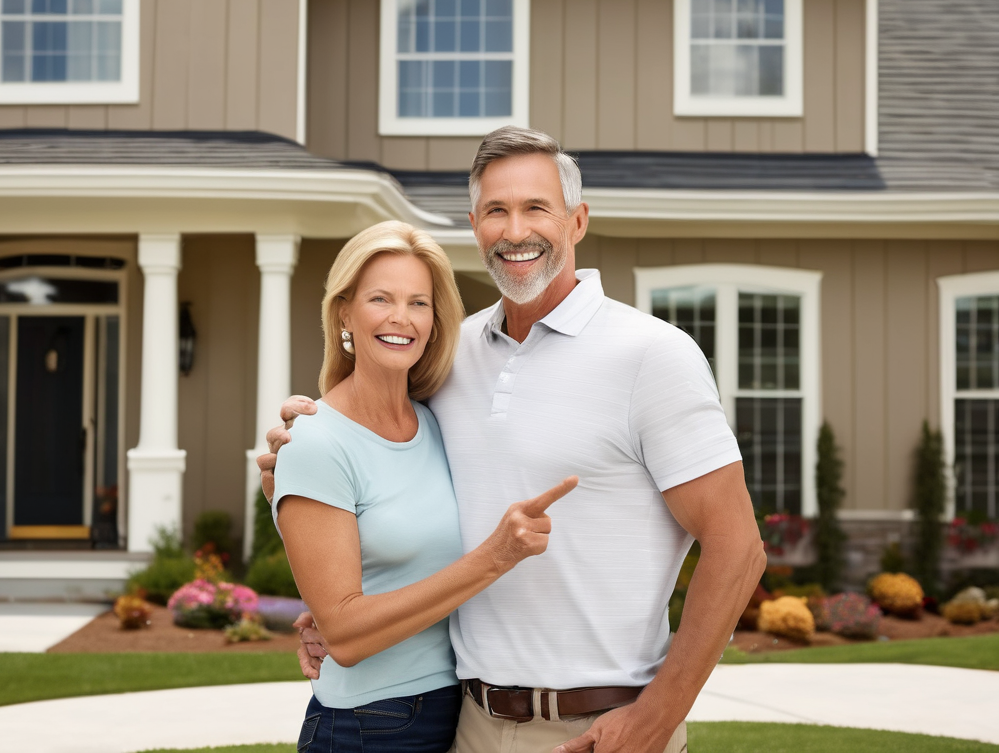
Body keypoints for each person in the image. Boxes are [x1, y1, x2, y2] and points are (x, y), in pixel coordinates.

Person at [262, 127, 766, 753]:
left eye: (536, 208)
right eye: (496, 211)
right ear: (475, 225)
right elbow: (381, 470)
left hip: (602, 726)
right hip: (464, 721)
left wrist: (658, 716)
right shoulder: (449, 355)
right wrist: (329, 582)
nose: (514, 230)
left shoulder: (651, 355)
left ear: (576, 221)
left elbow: (738, 547)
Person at [272, 219, 578, 753]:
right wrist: (494, 558)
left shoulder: (436, 422)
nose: (400, 318)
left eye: (419, 303)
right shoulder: (316, 439)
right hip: (368, 726)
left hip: (454, 709)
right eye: (380, 299)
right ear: (344, 311)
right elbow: (343, 635)